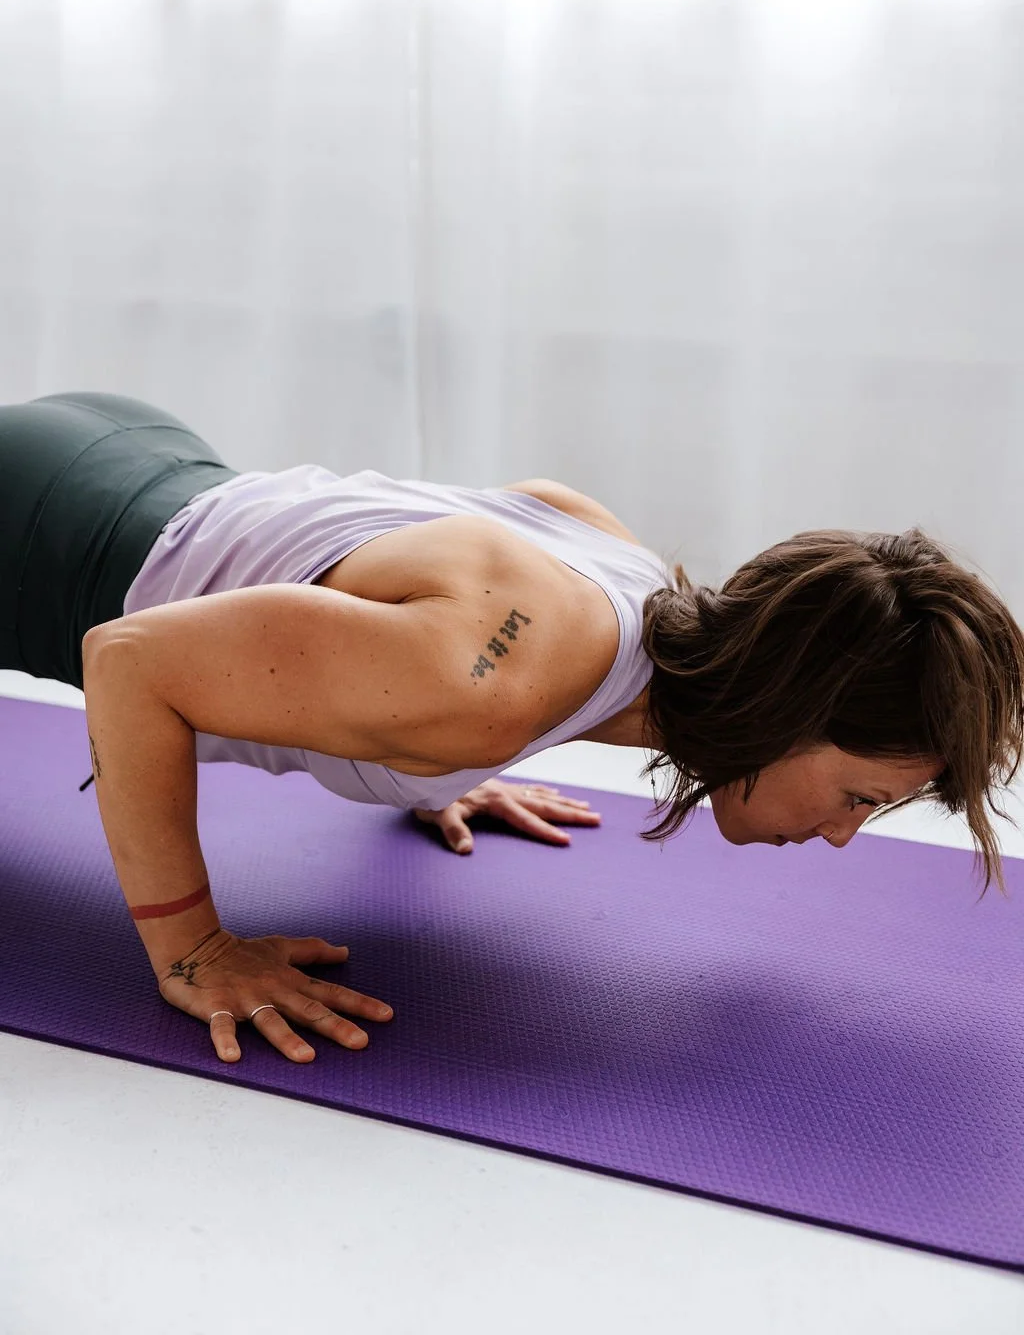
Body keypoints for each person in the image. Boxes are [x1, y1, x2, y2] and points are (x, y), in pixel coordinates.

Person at [3, 392, 1022, 1067]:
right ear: (789, 709)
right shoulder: (483, 689)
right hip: (33, 537)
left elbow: (480, 553)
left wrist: (427, 764)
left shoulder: (630, 591)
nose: (843, 835)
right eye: (859, 796)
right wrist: (195, 950)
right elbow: (127, 662)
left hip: (130, 454)